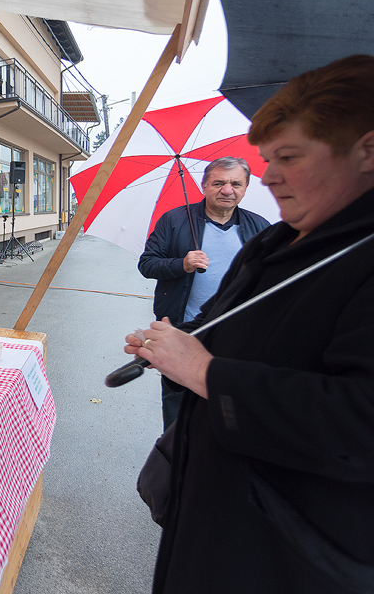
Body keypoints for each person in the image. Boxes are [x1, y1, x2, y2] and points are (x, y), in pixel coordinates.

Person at [125, 55, 374, 593]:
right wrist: (177, 345)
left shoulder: (347, 250)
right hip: (215, 515)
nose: (267, 176)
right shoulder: (279, 239)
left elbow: (360, 422)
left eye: (288, 156)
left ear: (367, 151)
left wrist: (207, 372)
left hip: (286, 552)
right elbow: (235, 326)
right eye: (265, 159)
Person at [138, 157, 270, 429]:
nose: (227, 189)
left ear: (245, 187)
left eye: (236, 183)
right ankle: (173, 453)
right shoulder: (174, 220)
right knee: (178, 395)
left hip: (239, 330)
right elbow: (147, 263)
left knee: (228, 395)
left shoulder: (260, 228)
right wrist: (181, 264)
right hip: (184, 326)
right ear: (204, 185)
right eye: (218, 183)